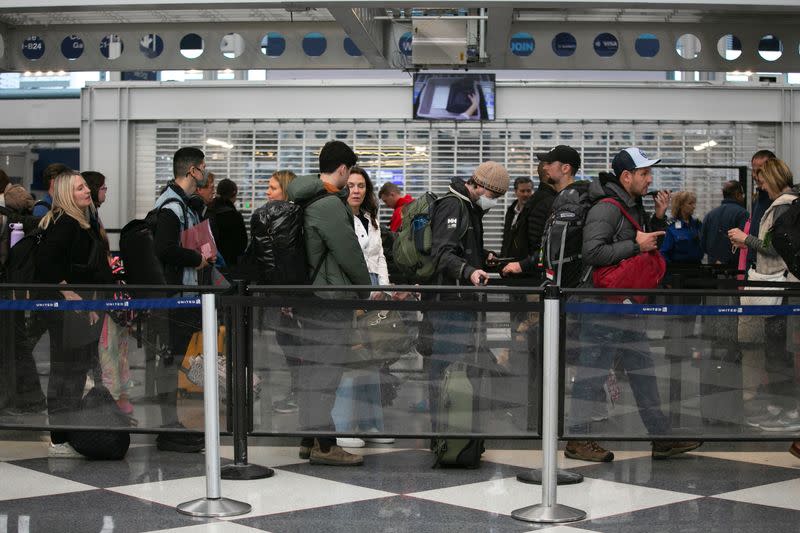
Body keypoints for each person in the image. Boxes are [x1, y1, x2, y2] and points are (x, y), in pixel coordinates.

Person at [566, 147, 701, 462]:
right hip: (601, 306)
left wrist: (656, 218)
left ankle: (660, 437)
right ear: (626, 176)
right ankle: (577, 439)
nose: (649, 179)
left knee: (643, 372)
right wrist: (634, 243)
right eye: (644, 173)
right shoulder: (607, 209)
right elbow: (593, 253)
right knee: (592, 373)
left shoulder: (632, 206)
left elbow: (643, 247)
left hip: (624, 306)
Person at [286, 140, 372, 466]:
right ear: (342, 169)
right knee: (326, 373)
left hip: (310, 298)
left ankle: (309, 440)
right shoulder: (330, 205)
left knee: (312, 371)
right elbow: (349, 253)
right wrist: (365, 290)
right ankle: (325, 444)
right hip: (329, 301)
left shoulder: (305, 197)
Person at [34, 170, 114, 458]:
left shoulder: (82, 221)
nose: (86, 191)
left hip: (81, 310)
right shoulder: (66, 223)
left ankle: (66, 430)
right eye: (80, 188)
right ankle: (59, 436)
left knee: (76, 371)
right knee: (66, 371)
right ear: (68, 193)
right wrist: (70, 294)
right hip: (67, 313)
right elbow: (47, 265)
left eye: (86, 187)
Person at [427, 161, 509, 432]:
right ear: (481, 186)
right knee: (446, 369)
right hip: (450, 305)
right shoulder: (454, 206)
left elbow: (460, 246)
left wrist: (481, 255)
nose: (493, 202)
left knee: (458, 370)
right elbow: (442, 253)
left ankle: (457, 430)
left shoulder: (470, 208)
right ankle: (444, 432)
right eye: (494, 196)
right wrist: (469, 270)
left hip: (462, 303)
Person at [151, 147, 215, 453]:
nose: (204, 172)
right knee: (169, 360)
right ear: (192, 171)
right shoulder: (171, 207)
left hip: (185, 294)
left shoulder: (186, 205)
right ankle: (167, 427)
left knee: (175, 361)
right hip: (174, 297)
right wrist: (196, 259)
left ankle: (172, 425)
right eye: (202, 168)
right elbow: (164, 248)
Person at [728, 158, 799, 434]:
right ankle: (785, 405)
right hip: (784, 285)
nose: (761, 185)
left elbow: (772, 246)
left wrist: (745, 240)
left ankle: (787, 408)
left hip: (777, 284)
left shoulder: (783, 207)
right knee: (777, 349)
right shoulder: (792, 203)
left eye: (763, 180)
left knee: (776, 351)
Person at [332, 167, 395, 448]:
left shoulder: (370, 218)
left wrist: (383, 287)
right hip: (351, 291)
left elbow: (379, 255)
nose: (356, 190)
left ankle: (372, 425)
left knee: (372, 362)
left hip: (374, 291)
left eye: (361, 186)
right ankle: (342, 427)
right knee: (349, 363)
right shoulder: (338, 217)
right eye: (352, 185)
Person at [248, 169, 303, 414]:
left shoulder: (292, 219)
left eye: (273, 188)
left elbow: (289, 261)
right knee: (287, 343)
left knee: (295, 346)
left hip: (290, 297)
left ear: (286, 190)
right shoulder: (273, 217)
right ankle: (298, 391)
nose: (267, 192)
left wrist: (287, 296)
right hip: (279, 295)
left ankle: (300, 393)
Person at [82, 171, 135, 416]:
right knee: (105, 348)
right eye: (103, 188)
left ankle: (114, 398)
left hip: (103, 293)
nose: (106, 192)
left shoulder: (94, 216)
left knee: (113, 347)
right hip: (96, 296)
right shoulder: (87, 218)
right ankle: (107, 401)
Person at [502, 145, 581, 277]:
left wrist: (523, 265)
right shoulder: (558, 200)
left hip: (569, 282)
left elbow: (547, 249)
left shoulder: (573, 201)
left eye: (549, 163)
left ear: (565, 168)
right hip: (554, 279)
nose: (544, 167)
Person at [700, 181, 748, 265]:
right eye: (742, 194)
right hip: (735, 269)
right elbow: (745, 242)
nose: (743, 197)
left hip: (713, 269)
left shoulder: (710, 215)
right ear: (737, 194)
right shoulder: (743, 214)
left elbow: (703, 243)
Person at [745, 150, 777, 269]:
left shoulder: (779, 202)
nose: (755, 175)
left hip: (770, 271)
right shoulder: (757, 199)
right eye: (753, 170)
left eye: (759, 171)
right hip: (755, 267)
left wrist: (746, 239)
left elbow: (770, 246)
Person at [209, 178, 247, 267]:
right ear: (233, 194)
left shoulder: (207, 210)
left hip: (210, 261)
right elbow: (242, 244)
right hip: (229, 264)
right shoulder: (235, 216)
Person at [660, 191, 703, 265]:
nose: (694, 206)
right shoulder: (671, 227)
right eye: (690, 203)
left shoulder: (697, 224)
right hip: (679, 270)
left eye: (694, 203)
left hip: (697, 268)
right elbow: (664, 253)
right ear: (680, 205)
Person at [500, 177, 533, 261]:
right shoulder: (510, 211)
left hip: (525, 263)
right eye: (522, 191)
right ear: (515, 192)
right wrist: (503, 258)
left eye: (528, 191)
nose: (526, 194)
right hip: (509, 260)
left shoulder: (534, 212)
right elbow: (506, 237)